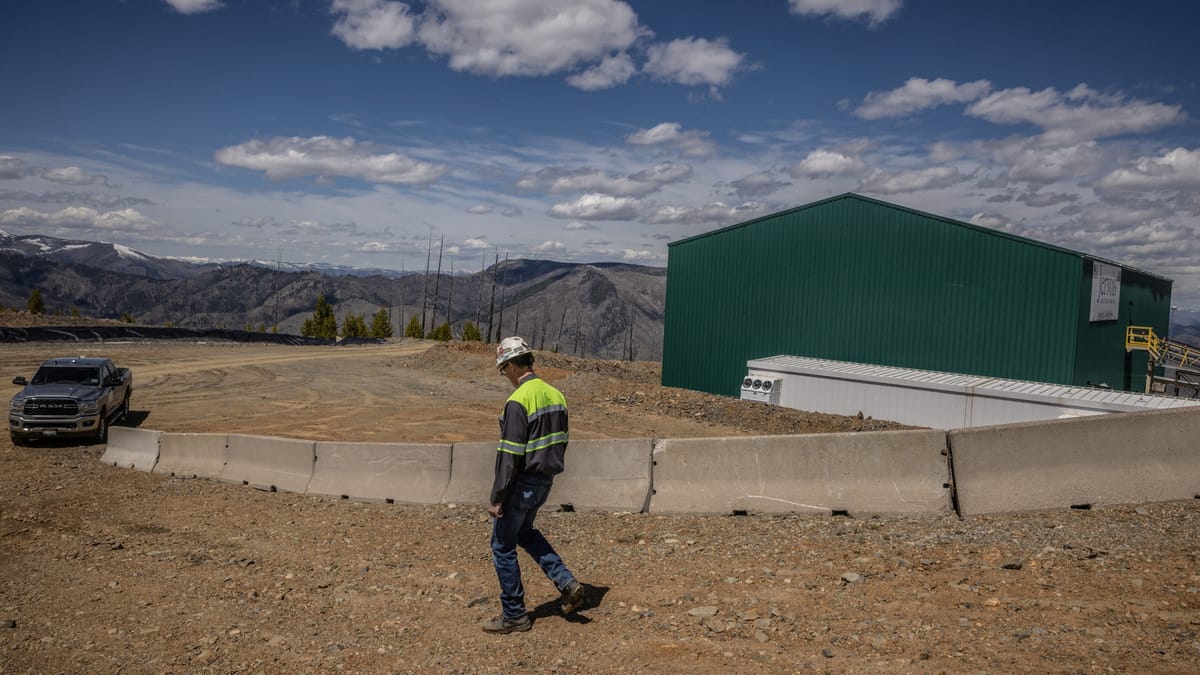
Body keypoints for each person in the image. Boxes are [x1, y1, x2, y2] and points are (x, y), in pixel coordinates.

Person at [482, 336, 585, 634]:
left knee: (502, 545)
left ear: (513, 365)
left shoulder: (518, 401)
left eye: (504, 369)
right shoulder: (556, 395)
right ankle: (566, 582)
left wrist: (497, 497)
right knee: (525, 532)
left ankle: (514, 615)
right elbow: (562, 441)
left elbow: (510, 455)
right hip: (545, 481)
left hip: (522, 483)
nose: (505, 376)